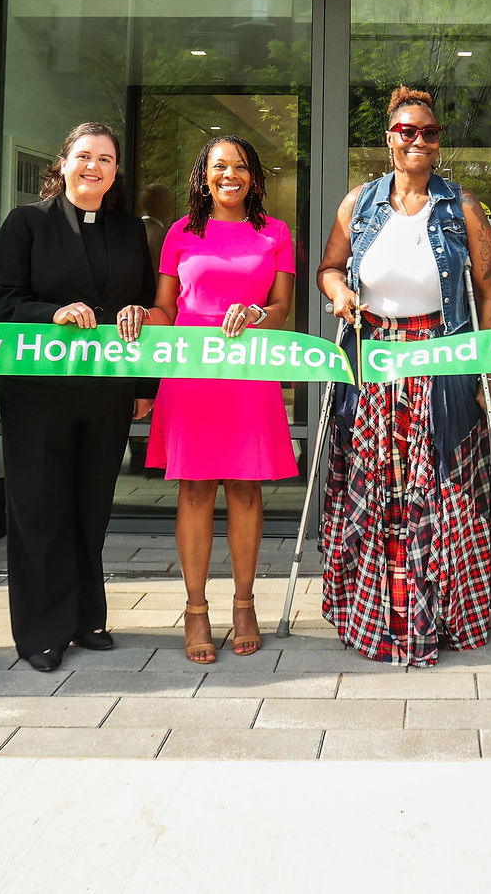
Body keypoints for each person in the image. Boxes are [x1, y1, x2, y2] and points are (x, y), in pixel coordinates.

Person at [315, 86, 491, 666]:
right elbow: (327, 268)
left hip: (440, 361)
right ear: (389, 139)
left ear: (439, 142)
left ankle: (442, 618)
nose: (416, 140)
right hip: (372, 360)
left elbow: (490, 286)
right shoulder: (359, 204)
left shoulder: (462, 205)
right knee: (376, 491)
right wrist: (340, 289)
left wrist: (489, 364)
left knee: (439, 489)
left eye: (427, 132)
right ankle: (374, 619)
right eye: (405, 131)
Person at [0, 121, 156, 671]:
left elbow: (146, 306)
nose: (94, 167)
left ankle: (86, 618)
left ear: (115, 172)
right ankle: (40, 632)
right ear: (62, 163)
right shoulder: (26, 223)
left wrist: (143, 385)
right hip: (40, 393)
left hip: (106, 390)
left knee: (90, 509)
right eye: (84, 156)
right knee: (39, 509)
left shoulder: (130, 231)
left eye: (106, 160)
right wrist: (52, 313)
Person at [134, 136, 297, 663]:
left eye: (241, 167)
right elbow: (164, 308)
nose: (231, 175)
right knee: (196, 490)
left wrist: (254, 315)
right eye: (220, 167)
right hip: (192, 375)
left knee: (247, 490)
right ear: (203, 176)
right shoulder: (180, 232)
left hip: (248, 371)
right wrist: (140, 317)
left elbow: (281, 309)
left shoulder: (275, 233)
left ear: (254, 176)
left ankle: (245, 604)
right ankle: (197, 609)